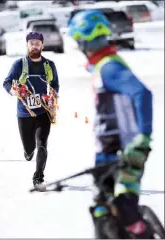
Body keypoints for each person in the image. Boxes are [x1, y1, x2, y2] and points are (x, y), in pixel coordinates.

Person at [68, 10, 153, 238]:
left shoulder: (109, 67)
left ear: (85, 40)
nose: (79, 47)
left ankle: (145, 234)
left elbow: (143, 94)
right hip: (107, 152)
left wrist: (142, 138)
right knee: (101, 209)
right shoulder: (101, 66)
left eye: (78, 41)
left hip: (128, 150)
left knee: (126, 209)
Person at [3, 32, 59, 187]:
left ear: (42, 45)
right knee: (29, 148)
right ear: (27, 45)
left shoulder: (49, 65)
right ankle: (28, 152)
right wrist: (13, 91)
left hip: (43, 111)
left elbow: (55, 85)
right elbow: (7, 82)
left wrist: (53, 97)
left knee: (42, 143)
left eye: (37, 43)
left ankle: (38, 177)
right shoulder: (19, 64)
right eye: (31, 43)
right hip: (24, 113)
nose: (34, 46)